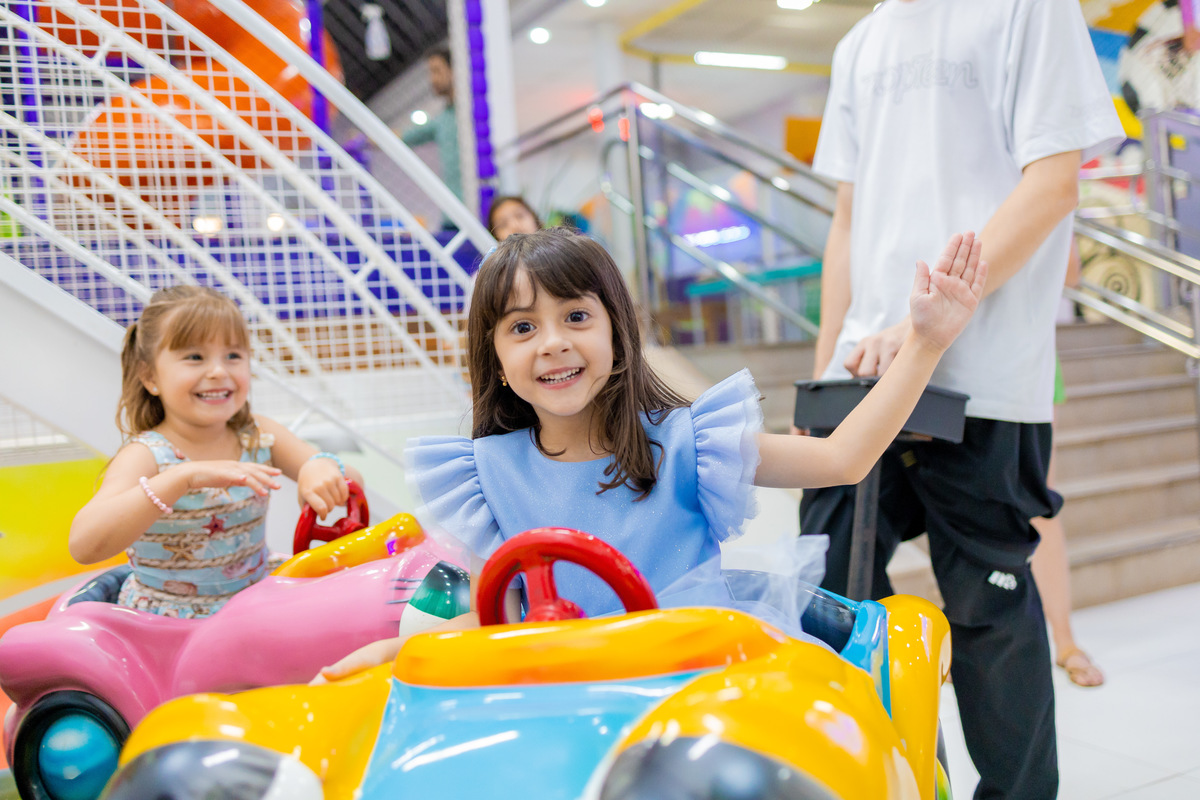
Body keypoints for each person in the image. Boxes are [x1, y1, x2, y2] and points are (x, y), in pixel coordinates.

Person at [314, 224, 987, 681]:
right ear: (495, 353)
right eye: (523, 327)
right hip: (577, 696)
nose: (551, 342)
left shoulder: (689, 443)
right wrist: (392, 649)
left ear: (617, 332)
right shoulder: (485, 473)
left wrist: (927, 343)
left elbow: (843, 460)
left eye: (575, 317)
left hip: (699, 683)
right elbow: (504, 610)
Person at [798, 1, 1123, 797]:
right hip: (862, 379)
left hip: (984, 378)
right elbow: (847, 220)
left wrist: (922, 339)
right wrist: (822, 373)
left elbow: (1051, 187)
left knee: (990, 616)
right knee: (831, 607)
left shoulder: (1027, 8)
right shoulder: (860, 43)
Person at [69, 285, 364, 618]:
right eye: (195, 357)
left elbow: (352, 481)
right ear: (150, 377)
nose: (219, 371)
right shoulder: (146, 455)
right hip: (171, 623)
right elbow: (84, 545)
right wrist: (182, 478)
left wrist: (319, 466)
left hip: (254, 600)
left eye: (233, 356)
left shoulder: (257, 434)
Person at [1032, 238, 1104, 687]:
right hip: (948, 355)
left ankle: (1064, 640)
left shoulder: (1034, 175)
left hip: (1028, 360)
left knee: (1041, 503)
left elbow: (1071, 271)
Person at [399, 46, 462, 206]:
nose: (432, 79)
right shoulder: (443, 120)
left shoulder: (473, 112)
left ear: (455, 70)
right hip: (454, 210)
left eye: (436, 71)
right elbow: (406, 136)